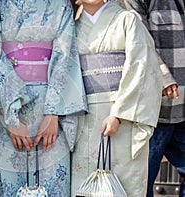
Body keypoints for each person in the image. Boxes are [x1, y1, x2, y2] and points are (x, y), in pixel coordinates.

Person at [0, 0, 88, 196]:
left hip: (49, 110)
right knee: (11, 183)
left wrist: (52, 114)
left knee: (53, 185)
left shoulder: (60, 5)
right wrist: (10, 116)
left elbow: (65, 54)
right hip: (8, 107)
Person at [70, 0, 163, 196]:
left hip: (122, 117)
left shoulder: (127, 20)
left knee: (123, 185)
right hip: (83, 117)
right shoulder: (72, 28)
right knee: (85, 187)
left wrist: (119, 114)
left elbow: (142, 67)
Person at [122, 0, 185, 196]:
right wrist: (163, 77)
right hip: (151, 114)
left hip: (183, 112)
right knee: (140, 185)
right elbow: (138, 41)